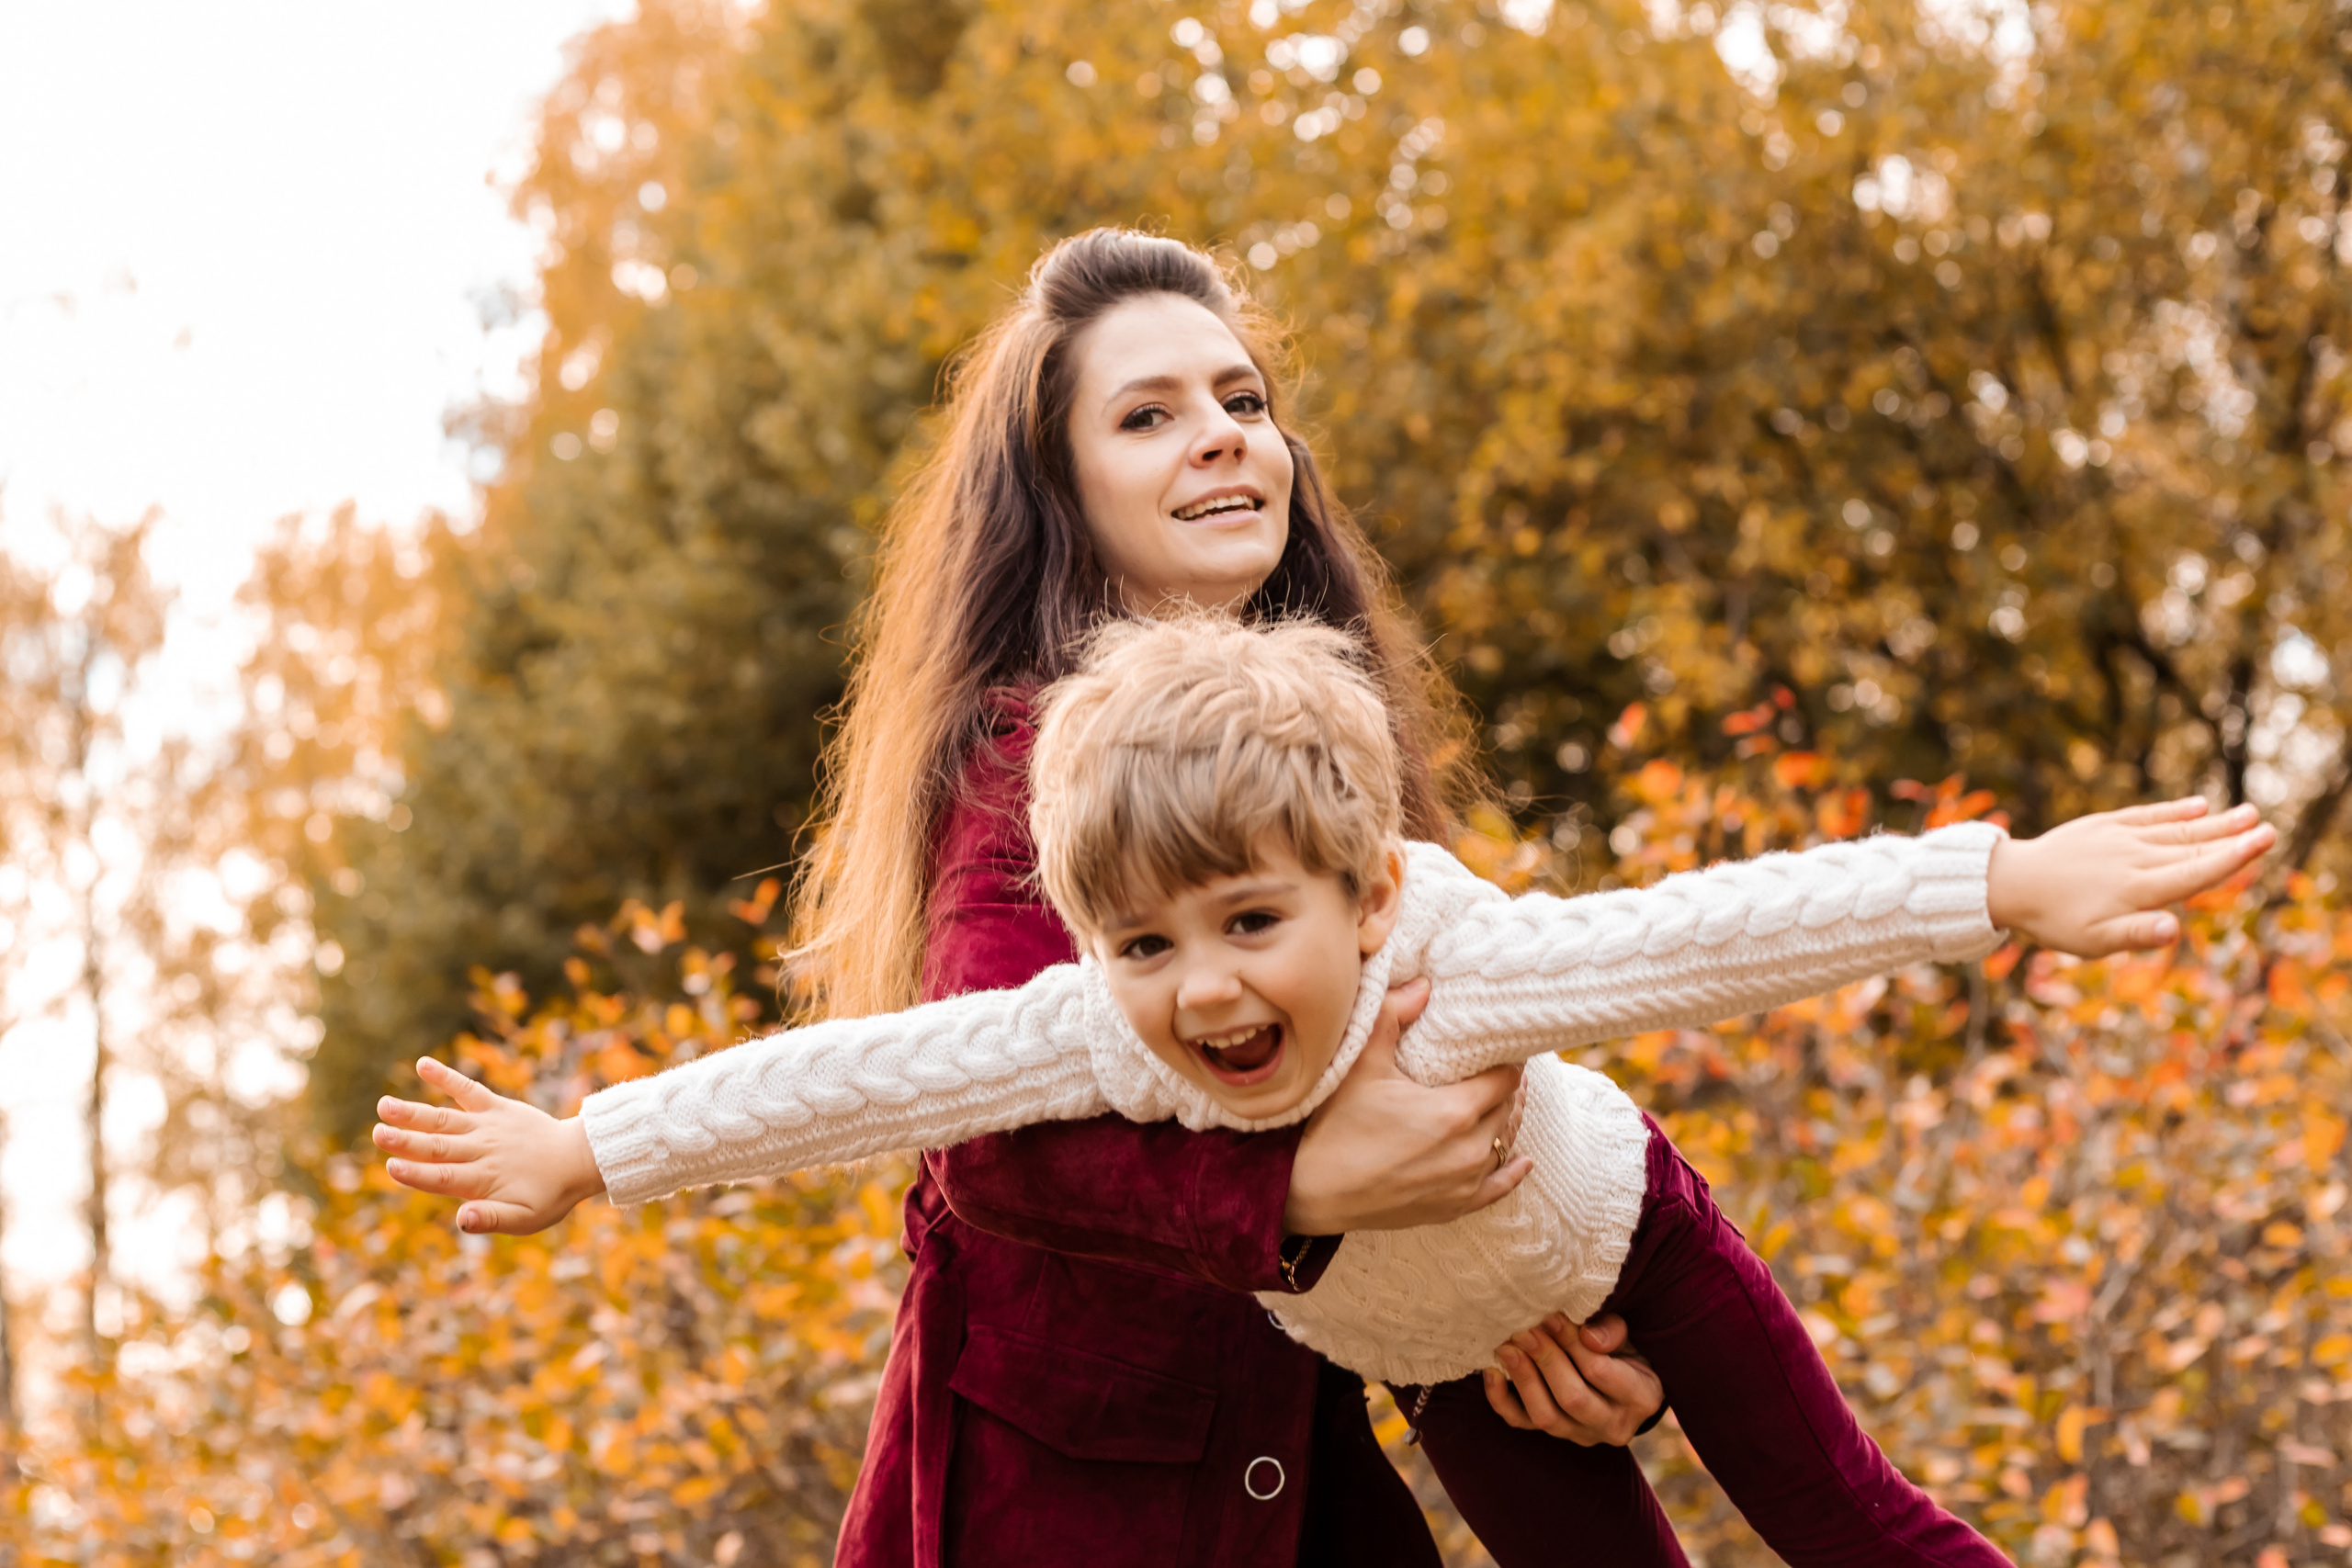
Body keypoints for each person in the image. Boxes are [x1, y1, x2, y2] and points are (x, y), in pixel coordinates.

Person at [379, 613, 2271, 1567]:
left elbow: (1716, 929)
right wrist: (588, 1146)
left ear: (1363, 894)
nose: (1202, 985)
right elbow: (855, 1081)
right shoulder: (1096, 1028)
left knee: (1843, 1518)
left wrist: (2003, 881)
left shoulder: (1455, 967)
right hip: (1447, 1367)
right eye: (1142, 941)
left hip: (1630, 1252)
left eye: (1250, 921)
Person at [380, 229, 1668, 1568]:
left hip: (1294, 1477)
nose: (1221, 435)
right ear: (1064, 493)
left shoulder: (1328, 761)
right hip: (1058, 1505)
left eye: (1243, 400)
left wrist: (1557, 1344)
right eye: (1148, 416)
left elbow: (1435, 1125)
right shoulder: (1025, 768)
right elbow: (976, 1130)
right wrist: (1285, 1190)